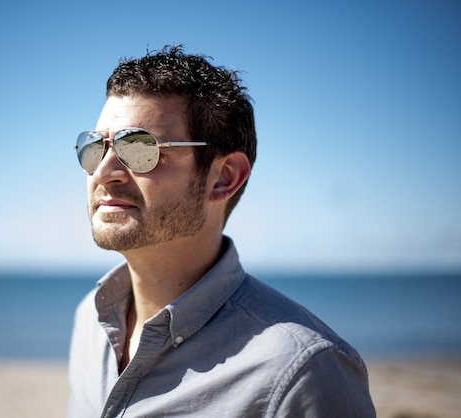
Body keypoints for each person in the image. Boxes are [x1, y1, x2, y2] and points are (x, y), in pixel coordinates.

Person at [68, 45, 375, 417]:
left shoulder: (303, 371)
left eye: (138, 148)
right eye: (95, 146)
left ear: (223, 178)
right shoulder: (91, 320)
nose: (103, 172)